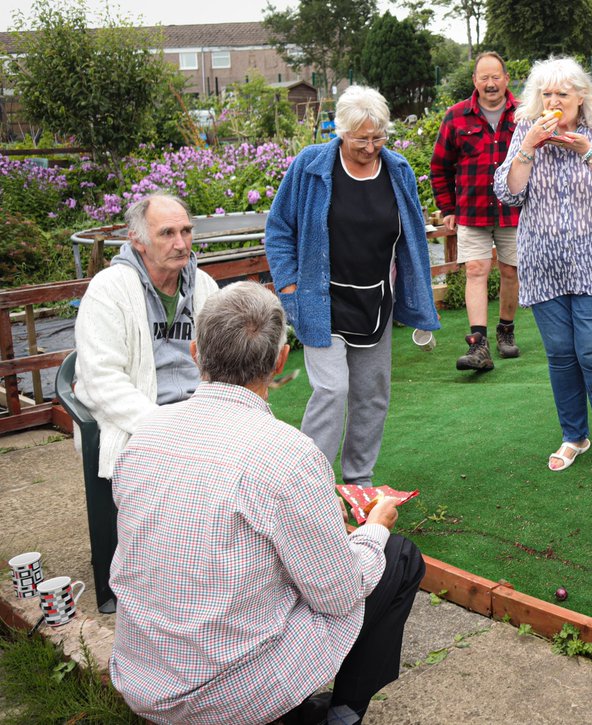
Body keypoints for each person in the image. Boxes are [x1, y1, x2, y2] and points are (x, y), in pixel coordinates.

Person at [109, 282, 425, 725]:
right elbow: (338, 595)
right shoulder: (288, 453)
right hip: (229, 696)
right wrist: (376, 527)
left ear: (197, 353)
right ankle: (341, 712)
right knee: (397, 557)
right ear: (280, 361)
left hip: (142, 677)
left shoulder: (145, 433)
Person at [265, 85, 439, 486]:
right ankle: (308, 484)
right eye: (361, 138)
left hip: (376, 300)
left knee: (372, 395)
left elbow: (409, 232)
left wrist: (414, 293)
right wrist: (288, 286)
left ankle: (358, 479)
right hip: (320, 300)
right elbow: (278, 229)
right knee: (331, 389)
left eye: (378, 137)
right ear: (340, 131)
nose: (370, 146)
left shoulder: (397, 170)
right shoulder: (311, 166)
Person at [494, 57, 592, 483]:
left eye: (562, 93)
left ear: (581, 96)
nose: (553, 101)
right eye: (547, 93)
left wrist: (590, 153)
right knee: (560, 356)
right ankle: (574, 436)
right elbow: (507, 192)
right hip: (542, 263)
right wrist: (528, 148)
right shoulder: (526, 128)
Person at [73, 191, 219, 613]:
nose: (181, 243)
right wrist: (160, 423)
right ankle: (168, 580)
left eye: (186, 231)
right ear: (138, 241)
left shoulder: (203, 285)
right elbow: (101, 380)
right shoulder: (108, 290)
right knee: (184, 470)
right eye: (168, 233)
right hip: (137, 418)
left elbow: (221, 359)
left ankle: (227, 566)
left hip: (198, 408)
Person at [431, 51, 522, 372]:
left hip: (514, 209)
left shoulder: (524, 114)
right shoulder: (456, 117)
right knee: (475, 270)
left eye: (496, 76)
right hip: (473, 209)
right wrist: (447, 207)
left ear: (506, 79)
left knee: (511, 272)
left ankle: (506, 331)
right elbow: (440, 166)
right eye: (484, 77)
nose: (490, 83)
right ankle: (479, 344)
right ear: (475, 81)